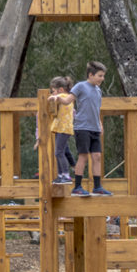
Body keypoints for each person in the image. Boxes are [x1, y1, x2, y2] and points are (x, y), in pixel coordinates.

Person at [47, 61, 113, 197]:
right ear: (91, 75)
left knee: (97, 157)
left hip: (94, 128)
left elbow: (96, 109)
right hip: (82, 128)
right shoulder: (81, 86)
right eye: (100, 76)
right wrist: (56, 97)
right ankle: (77, 187)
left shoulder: (98, 90)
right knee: (83, 157)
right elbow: (68, 100)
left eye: (103, 76)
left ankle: (97, 187)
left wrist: (100, 124)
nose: (102, 79)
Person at [36, 76, 75, 183]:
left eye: (53, 91)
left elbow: (53, 98)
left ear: (61, 89)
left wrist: (50, 97)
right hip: (61, 128)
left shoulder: (63, 96)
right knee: (59, 152)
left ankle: (66, 176)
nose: (52, 94)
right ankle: (61, 174)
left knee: (59, 152)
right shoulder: (66, 97)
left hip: (63, 128)